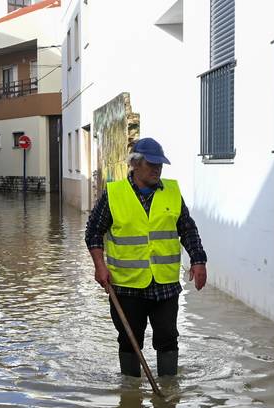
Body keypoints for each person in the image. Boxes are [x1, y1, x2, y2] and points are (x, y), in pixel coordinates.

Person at [84, 137, 208, 377]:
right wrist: (100, 266)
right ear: (135, 164)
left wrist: (198, 260)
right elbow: (93, 233)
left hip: (165, 286)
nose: (157, 169)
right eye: (151, 164)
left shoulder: (171, 192)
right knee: (130, 341)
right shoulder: (114, 194)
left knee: (168, 338)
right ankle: (130, 400)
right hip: (127, 286)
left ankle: (169, 392)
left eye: (160, 164)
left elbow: (187, 229)